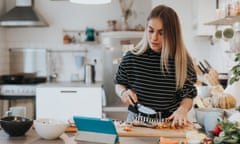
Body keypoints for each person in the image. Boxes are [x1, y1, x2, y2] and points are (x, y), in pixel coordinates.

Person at [114, 5, 197, 126]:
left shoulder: (182, 62)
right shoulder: (132, 57)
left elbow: (188, 95)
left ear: (172, 34)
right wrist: (123, 93)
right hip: (136, 122)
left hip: (169, 123)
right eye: (151, 30)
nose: (154, 38)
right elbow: (119, 83)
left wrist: (182, 110)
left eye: (161, 33)